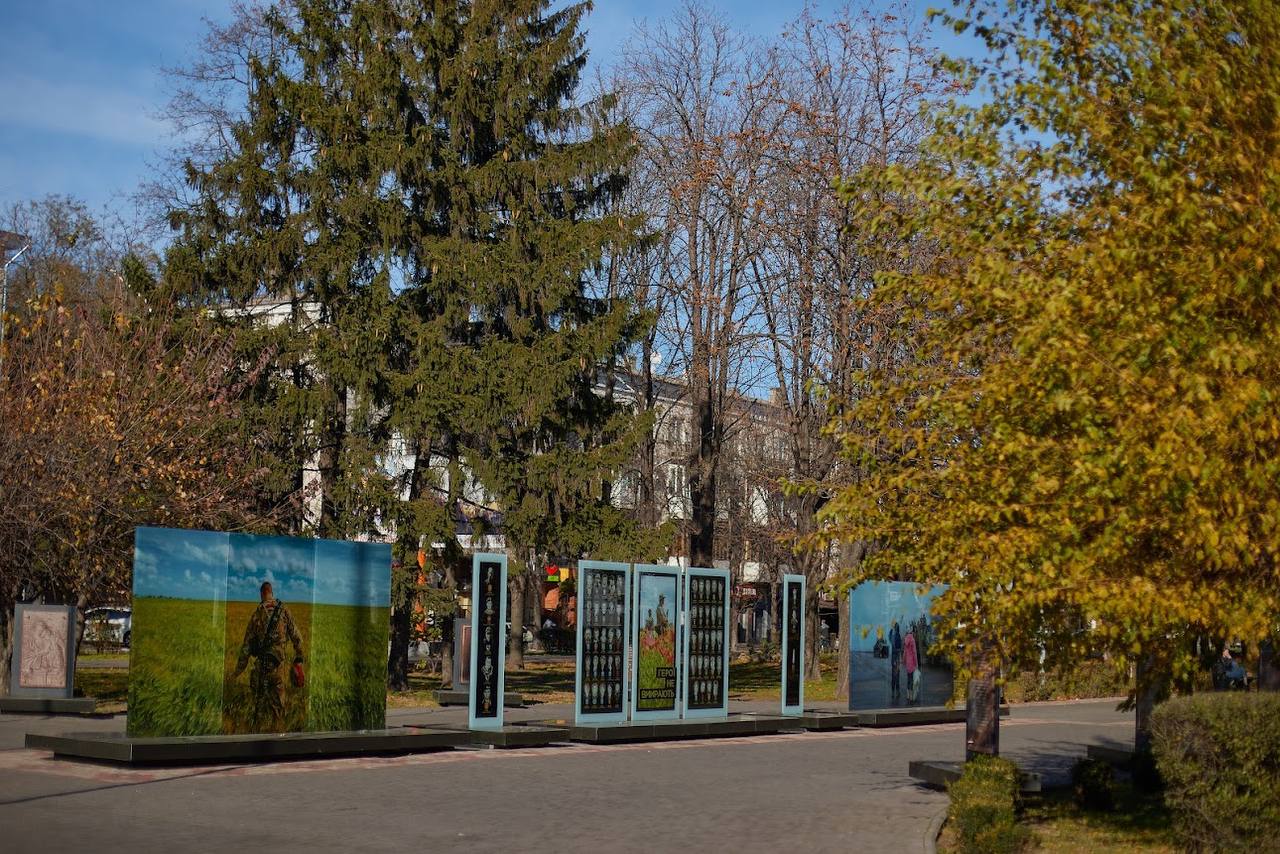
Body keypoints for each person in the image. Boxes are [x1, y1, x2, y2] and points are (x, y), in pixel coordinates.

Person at [233, 581, 304, 731]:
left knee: (258, 708)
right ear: (272, 592)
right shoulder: (284, 610)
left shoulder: (257, 613)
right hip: (278, 668)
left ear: (261, 594)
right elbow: (297, 638)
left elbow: (246, 648)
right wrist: (299, 658)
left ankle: (256, 733)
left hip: (261, 669)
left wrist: (237, 671)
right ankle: (278, 734)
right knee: (278, 709)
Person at [903, 627, 919, 704]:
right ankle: (912, 697)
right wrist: (916, 663)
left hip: (907, 663)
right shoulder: (912, 640)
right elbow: (914, 653)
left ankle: (908, 695)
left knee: (908, 679)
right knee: (912, 680)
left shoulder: (906, 639)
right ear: (912, 632)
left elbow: (905, 652)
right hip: (912, 663)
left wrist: (904, 661)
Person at [890, 621, 903, 701]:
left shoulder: (893, 636)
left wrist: (891, 629)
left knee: (893, 675)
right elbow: (900, 648)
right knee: (897, 675)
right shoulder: (898, 636)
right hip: (897, 658)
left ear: (895, 628)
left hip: (893, 658)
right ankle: (897, 691)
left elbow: (889, 637)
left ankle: (892, 692)